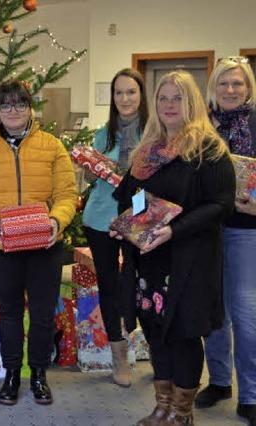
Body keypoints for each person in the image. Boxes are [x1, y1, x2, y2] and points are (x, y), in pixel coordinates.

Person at [111, 71, 235, 426]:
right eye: (163, 98)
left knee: (182, 334)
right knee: (154, 329)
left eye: (177, 98)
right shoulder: (146, 151)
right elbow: (136, 198)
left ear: (191, 103)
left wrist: (174, 230)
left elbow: (220, 204)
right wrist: (129, 226)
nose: (168, 105)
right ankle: (162, 406)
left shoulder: (207, 150)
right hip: (149, 259)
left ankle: (182, 413)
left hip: (189, 259)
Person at [0, 80, 77, 406]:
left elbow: (67, 194)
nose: (14, 111)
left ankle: (38, 374)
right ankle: (11, 374)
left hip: (45, 245)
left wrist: (56, 221)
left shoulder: (52, 146)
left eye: (20, 104)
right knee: (9, 312)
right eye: (6, 105)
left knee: (40, 314)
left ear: (30, 108)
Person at [195, 57, 256, 426]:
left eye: (238, 84)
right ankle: (219, 381)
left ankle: (250, 393)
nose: (230, 90)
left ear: (248, 87)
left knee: (246, 315)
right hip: (206, 230)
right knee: (214, 312)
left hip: (246, 231)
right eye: (224, 84)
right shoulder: (202, 125)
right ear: (213, 88)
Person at [82, 68, 148, 387]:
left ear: (141, 95)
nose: (125, 99)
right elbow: (90, 178)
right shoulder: (102, 133)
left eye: (131, 92)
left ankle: (156, 349)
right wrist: (91, 171)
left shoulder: (155, 133)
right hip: (100, 219)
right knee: (109, 286)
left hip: (140, 220)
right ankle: (118, 357)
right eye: (119, 93)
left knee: (142, 284)